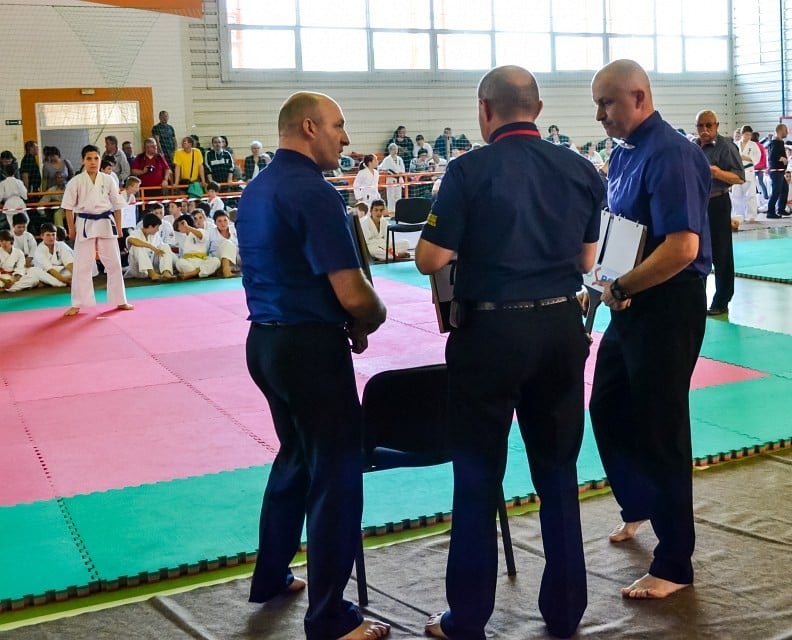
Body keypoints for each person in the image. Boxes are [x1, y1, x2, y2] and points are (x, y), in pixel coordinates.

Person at [415, 65, 603, 640]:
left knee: (476, 477)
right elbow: (588, 261)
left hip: (490, 336)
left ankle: (468, 617)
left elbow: (429, 258)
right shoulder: (581, 170)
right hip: (558, 330)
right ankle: (566, 610)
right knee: (557, 474)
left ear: (484, 110)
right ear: (538, 109)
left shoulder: (468, 170)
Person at [237, 91, 389, 640]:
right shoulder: (314, 193)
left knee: (297, 455)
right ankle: (330, 618)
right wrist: (375, 312)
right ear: (308, 127)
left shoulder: (255, 189)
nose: (345, 138)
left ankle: (272, 574)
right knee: (337, 472)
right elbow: (353, 294)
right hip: (308, 350)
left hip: (266, 344)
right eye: (338, 126)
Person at [588, 59, 711, 602]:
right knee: (607, 405)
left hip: (668, 302)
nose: (599, 115)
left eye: (607, 104)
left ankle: (675, 562)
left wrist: (622, 285)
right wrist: (603, 281)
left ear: (638, 96)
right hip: (629, 297)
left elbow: (680, 247)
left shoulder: (672, 153)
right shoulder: (623, 153)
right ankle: (638, 502)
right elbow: (620, 229)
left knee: (661, 428)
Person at [62, 145, 133, 316]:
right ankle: (78, 303)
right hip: (85, 223)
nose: (93, 162)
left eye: (96, 158)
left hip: (106, 222)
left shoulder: (108, 180)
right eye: (89, 159)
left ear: (100, 160)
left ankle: (120, 300)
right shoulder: (76, 181)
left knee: (114, 262)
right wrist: (71, 230)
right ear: (82, 161)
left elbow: (117, 205)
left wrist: (119, 227)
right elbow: (68, 208)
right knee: (82, 264)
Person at [695, 110, 743, 316]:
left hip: (718, 202)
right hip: (697, 204)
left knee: (721, 253)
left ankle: (722, 300)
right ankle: (697, 299)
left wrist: (717, 172)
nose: (705, 130)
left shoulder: (726, 147)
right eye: (700, 126)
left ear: (716, 125)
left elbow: (739, 177)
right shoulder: (693, 147)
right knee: (695, 252)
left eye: (709, 126)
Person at [125, 212, 175, 280]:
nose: (158, 230)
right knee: (137, 247)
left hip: (153, 264)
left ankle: (166, 271)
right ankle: (151, 273)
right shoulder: (136, 233)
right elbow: (130, 240)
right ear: (150, 226)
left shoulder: (155, 235)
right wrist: (151, 246)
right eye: (157, 227)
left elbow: (160, 249)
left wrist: (156, 249)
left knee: (165, 246)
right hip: (139, 269)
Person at [731, 125, 761, 224]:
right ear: (742, 134)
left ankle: (751, 215)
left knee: (750, 195)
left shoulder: (753, 145)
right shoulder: (735, 144)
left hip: (749, 171)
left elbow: (757, 157)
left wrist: (745, 157)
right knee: (736, 194)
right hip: (737, 171)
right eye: (746, 134)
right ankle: (738, 215)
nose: (748, 136)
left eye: (750, 135)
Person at [32, 222, 74, 287]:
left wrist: (76, 277)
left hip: (60, 270)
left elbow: (69, 263)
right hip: (46, 272)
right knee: (34, 271)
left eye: (53, 235)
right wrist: (65, 280)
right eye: (48, 235)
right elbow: (50, 269)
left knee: (72, 271)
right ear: (42, 236)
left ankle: (47, 282)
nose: (51, 238)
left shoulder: (61, 245)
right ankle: (62, 283)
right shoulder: (39, 250)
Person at [766, 124, 789, 218]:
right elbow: (772, 155)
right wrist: (782, 158)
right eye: (785, 130)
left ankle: (781, 209)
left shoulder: (778, 142)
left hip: (779, 171)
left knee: (784, 189)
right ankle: (770, 212)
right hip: (776, 171)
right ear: (780, 131)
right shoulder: (776, 142)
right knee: (776, 191)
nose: (787, 132)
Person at [209, 209, 239, 276]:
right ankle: (226, 270)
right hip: (218, 259)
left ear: (229, 220)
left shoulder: (234, 229)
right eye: (219, 221)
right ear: (215, 223)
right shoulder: (211, 232)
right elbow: (207, 250)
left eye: (225, 220)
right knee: (227, 243)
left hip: (235, 259)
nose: (223, 223)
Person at [1, 163, 29, 231]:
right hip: (19, 203)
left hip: (9, 205)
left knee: (12, 226)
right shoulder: (19, 182)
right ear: (15, 171)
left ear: (4, 172)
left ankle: (13, 240)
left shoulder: (3, 183)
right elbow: (25, 196)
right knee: (25, 223)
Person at [378, 144, 406, 211]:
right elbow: (380, 168)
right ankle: (391, 213)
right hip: (391, 179)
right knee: (391, 197)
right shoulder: (387, 159)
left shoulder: (400, 159)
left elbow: (403, 169)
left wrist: (400, 173)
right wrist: (388, 171)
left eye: (396, 149)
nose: (395, 151)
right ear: (390, 150)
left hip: (399, 179)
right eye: (393, 149)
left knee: (398, 197)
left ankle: (399, 211)